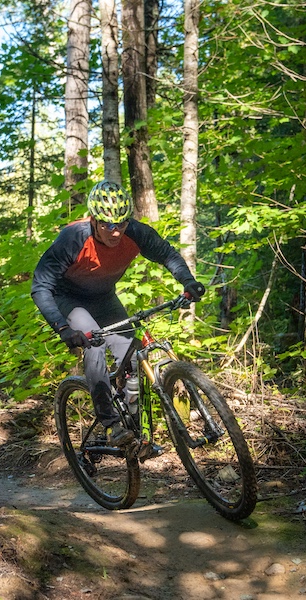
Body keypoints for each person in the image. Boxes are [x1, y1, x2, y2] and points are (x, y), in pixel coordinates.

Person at [32, 180, 205, 447]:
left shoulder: (135, 233)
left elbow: (168, 255)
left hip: (103, 299)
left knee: (133, 357)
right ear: (94, 220)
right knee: (95, 344)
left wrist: (188, 281)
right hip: (68, 299)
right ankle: (111, 424)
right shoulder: (73, 238)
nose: (115, 232)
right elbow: (41, 285)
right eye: (107, 225)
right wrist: (62, 328)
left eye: (121, 224)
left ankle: (134, 430)